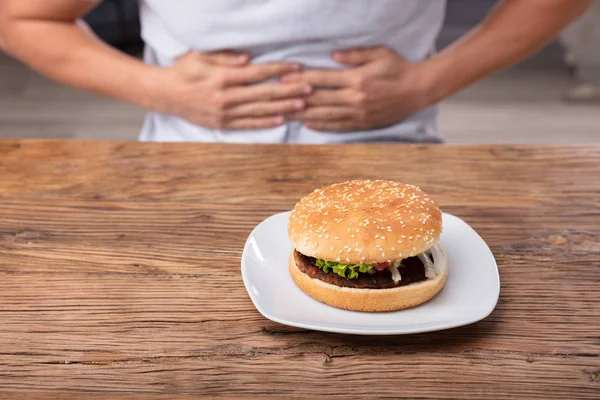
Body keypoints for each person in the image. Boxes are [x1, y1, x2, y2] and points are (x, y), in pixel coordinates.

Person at [0, 0, 592, 144]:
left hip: (391, 149)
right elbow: (22, 16)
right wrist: (160, 89)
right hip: (191, 159)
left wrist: (427, 82)